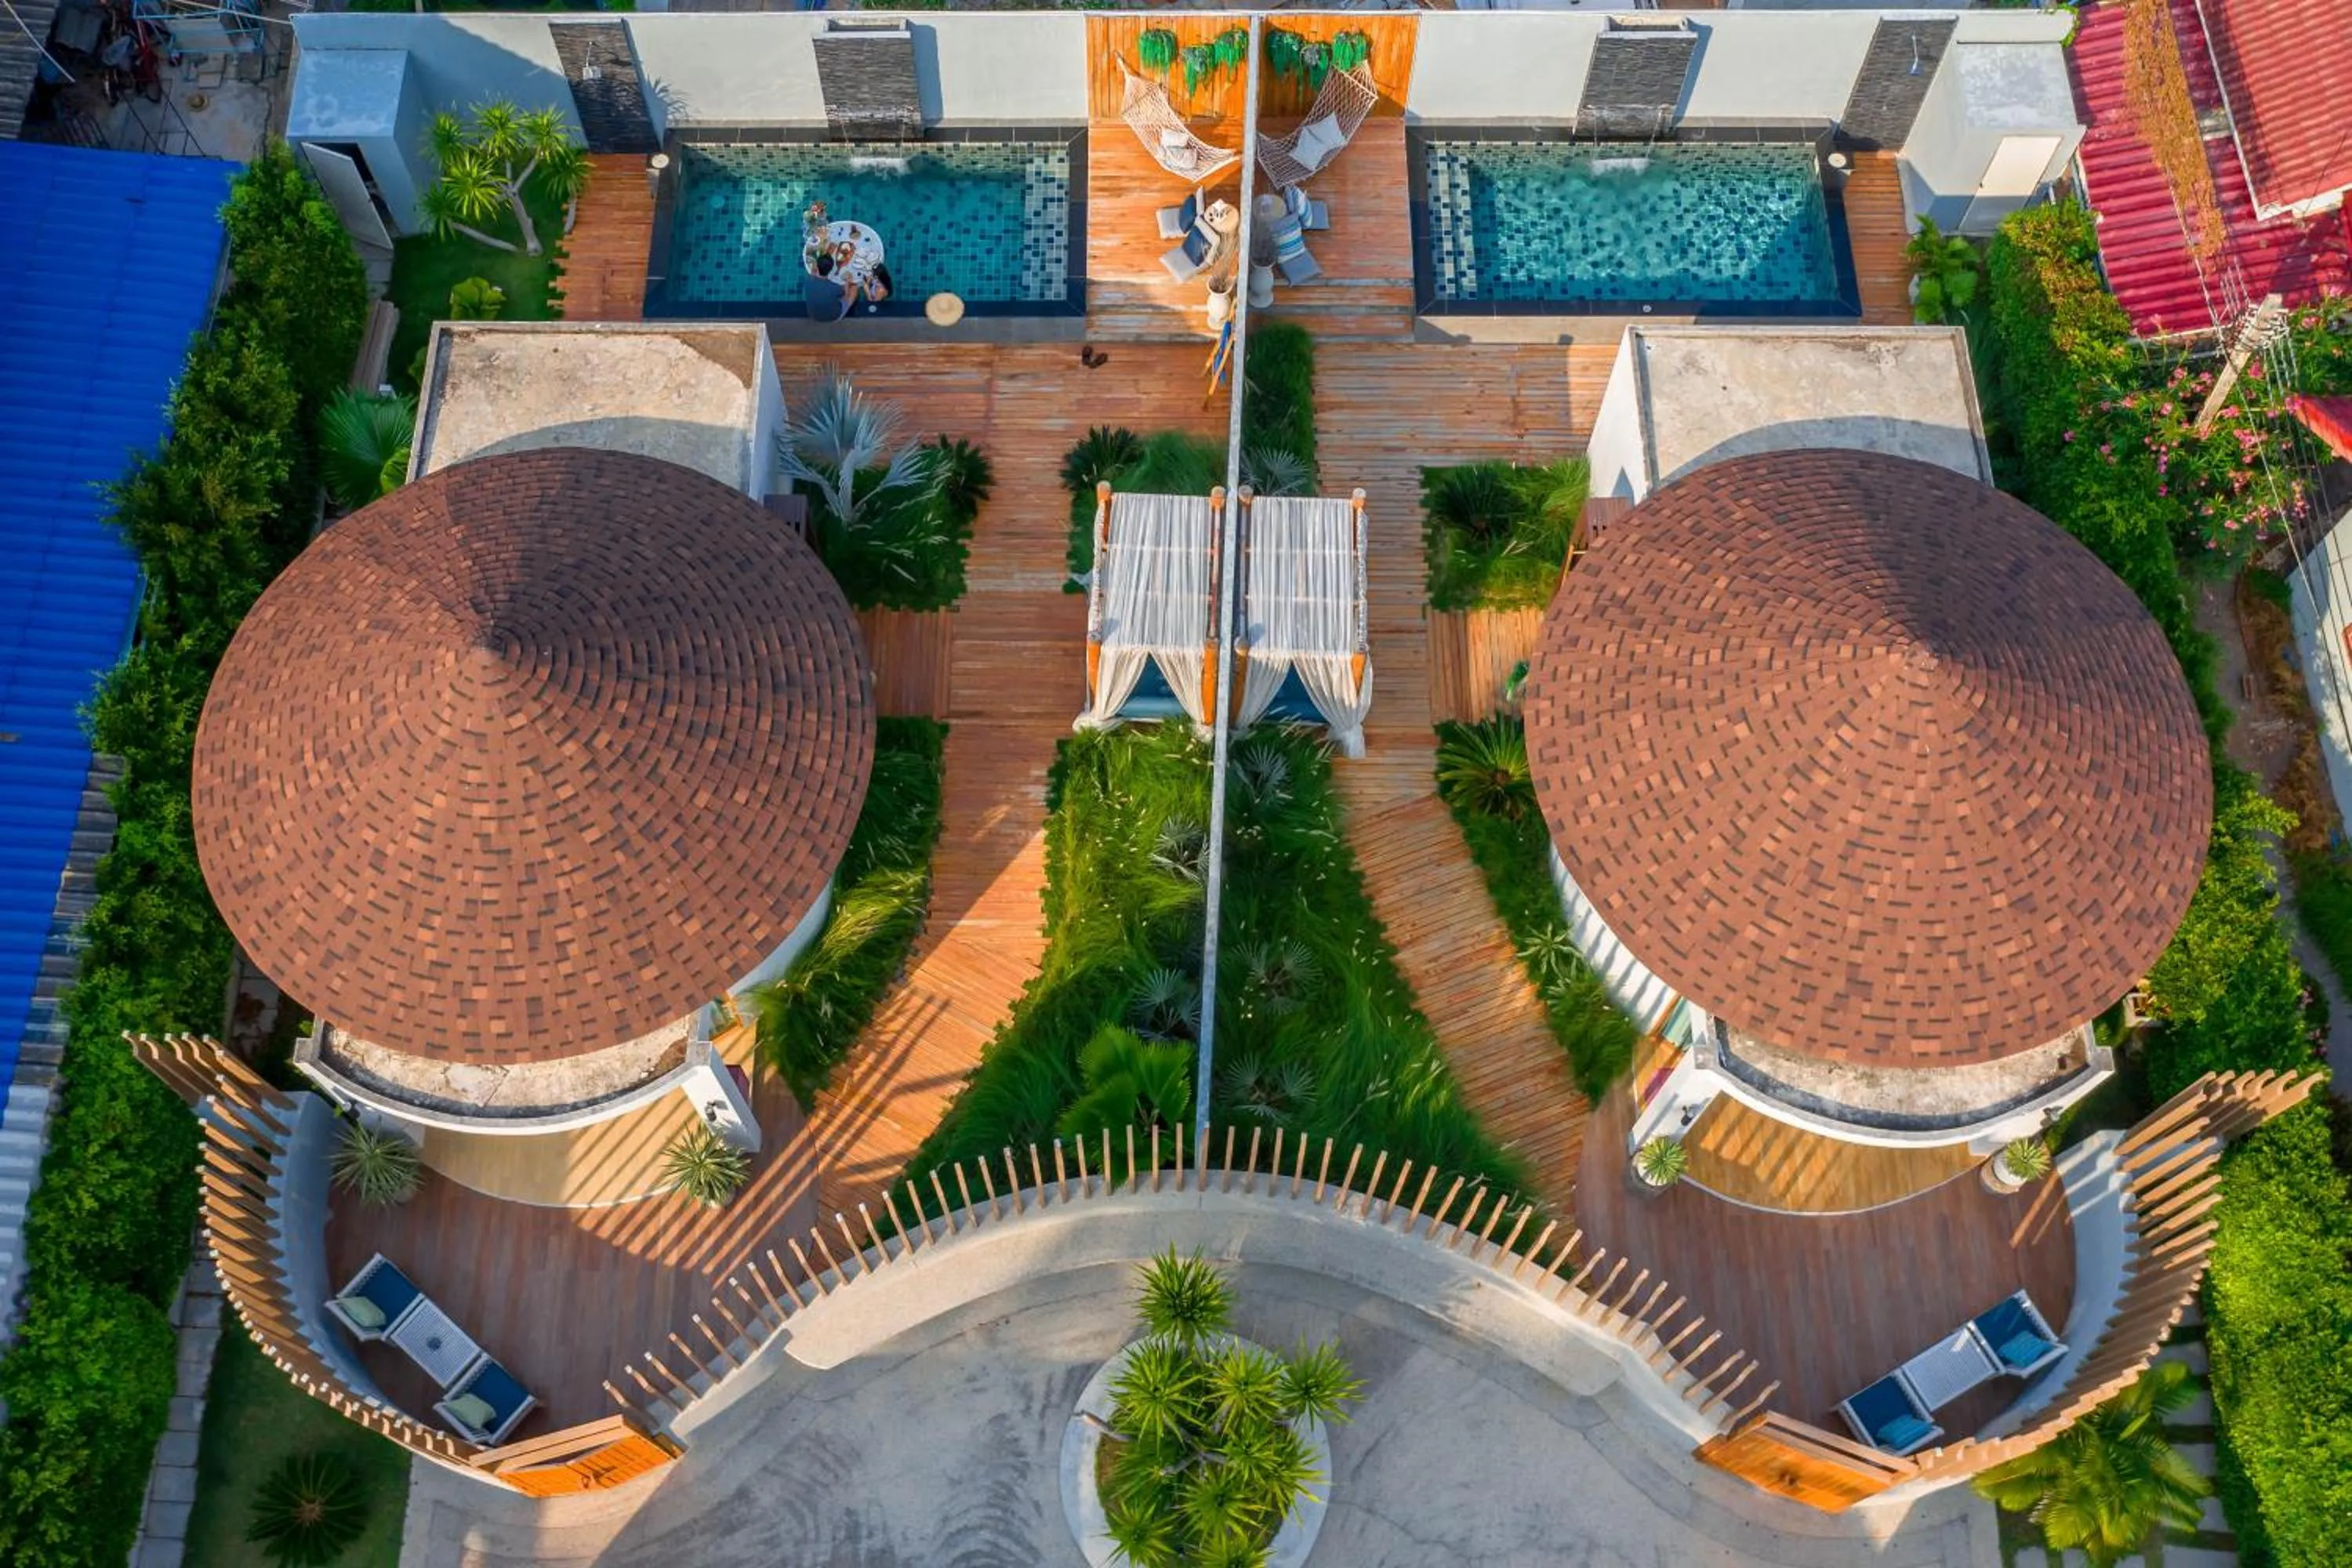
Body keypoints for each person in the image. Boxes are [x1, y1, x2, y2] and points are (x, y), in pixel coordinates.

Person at [803, 252, 858, 323]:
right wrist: (847, 282)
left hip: (813, 316)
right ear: (831, 270)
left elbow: (813, 273)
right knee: (854, 288)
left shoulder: (808, 281)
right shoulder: (835, 287)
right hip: (834, 317)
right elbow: (846, 296)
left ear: (817, 267)